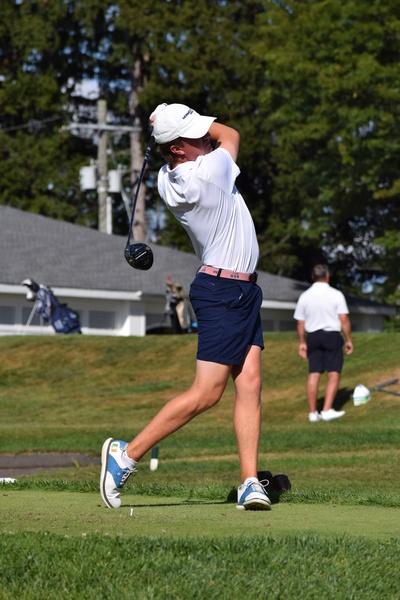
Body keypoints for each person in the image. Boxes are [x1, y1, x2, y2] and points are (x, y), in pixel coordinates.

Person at [100, 102, 271, 511]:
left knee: (249, 383)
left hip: (239, 290)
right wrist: (175, 122)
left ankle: (250, 482)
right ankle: (125, 456)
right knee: (207, 393)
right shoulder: (209, 171)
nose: (207, 138)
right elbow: (231, 134)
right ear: (178, 148)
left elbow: (200, 143)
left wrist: (165, 123)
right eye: (198, 136)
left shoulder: (166, 176)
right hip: (223, 291)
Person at [293, 264, 354, 422]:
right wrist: (348, 340)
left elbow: (300, 323)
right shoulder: (336, 294)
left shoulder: (305, 296)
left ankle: (313, 413)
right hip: (332, 336)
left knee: (314, 374)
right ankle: (326, 410)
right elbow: (344, 319)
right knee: (333, 373)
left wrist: (302, 342)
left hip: (312, 337)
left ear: (312, 277)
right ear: (327, 276)